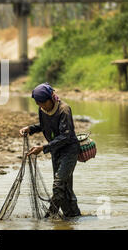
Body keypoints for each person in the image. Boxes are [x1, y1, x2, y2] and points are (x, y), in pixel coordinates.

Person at [20, 82, 81, 218]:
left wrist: (43, 148)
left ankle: (50, 216)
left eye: (42, 103)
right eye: (38, 103)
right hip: (56, 150)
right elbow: (44, 126)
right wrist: (30, 128)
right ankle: (73, 217)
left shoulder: (64, 110)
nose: (41, 106)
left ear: (51, 99)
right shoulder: (43, 110)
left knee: (58, 184)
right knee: (65, 188)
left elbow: (66, 135)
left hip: (69, 151)